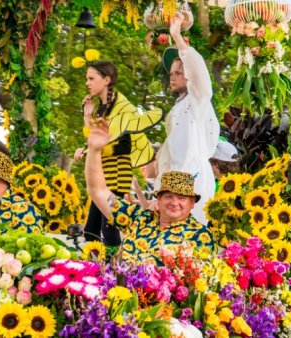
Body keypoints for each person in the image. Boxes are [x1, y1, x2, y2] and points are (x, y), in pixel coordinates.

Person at [85, 119, 214, 265]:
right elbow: (98, 191)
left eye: (181, 198)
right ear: (158, 199)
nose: (174, 202)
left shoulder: (200, 236)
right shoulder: (139, 218)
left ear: (192, 203)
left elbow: (194, 283)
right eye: (168, 196)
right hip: (118, 285)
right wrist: (94, 150)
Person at [73, 60, 164, 246]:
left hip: (116, 177)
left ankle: (115, 270)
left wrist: (93, 148)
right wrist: (87, 117)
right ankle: (98, 268)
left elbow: (115, 143)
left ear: (106, 80)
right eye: (86, 79)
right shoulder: (101, 108)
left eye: (91, 78)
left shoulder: (124, 109)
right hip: (102, 174)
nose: (87, 83)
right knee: (92, 230)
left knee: (109, 228)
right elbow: (95, 138)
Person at [155, 13, 220, 225]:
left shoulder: (198, 99)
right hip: (174, 187)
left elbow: (199, 73)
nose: (172, 77)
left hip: (193, 184)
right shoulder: (180, 105)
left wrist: (176, 36)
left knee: (190, 244)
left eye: (179, 72)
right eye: (171, 73)